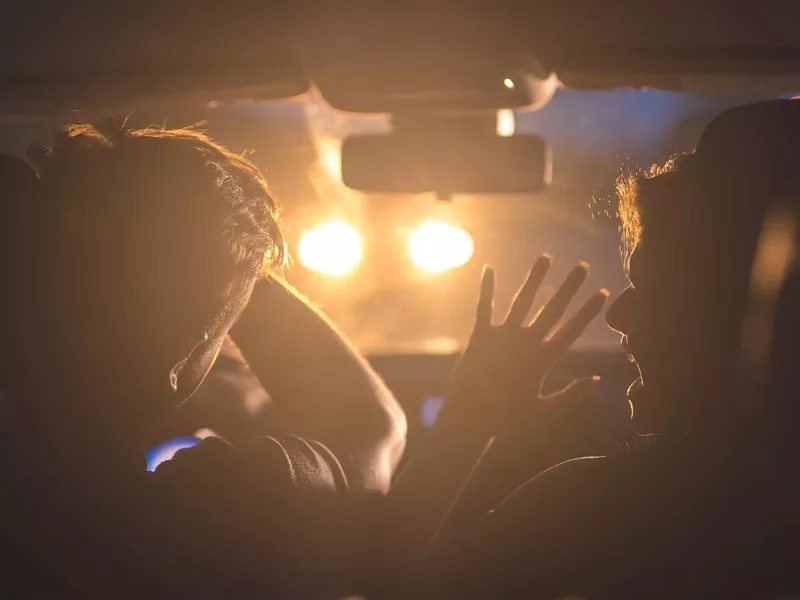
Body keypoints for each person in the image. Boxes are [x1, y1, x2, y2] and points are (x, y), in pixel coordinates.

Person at [0, 120, 607, 599]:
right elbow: (370, 443)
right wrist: (224, 252)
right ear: (176, 363)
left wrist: (190, 242)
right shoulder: (213, 506)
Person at [431, 99, 800, 599]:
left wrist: (466, 427)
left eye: (653, 283)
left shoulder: (595, 511)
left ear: (749, 310)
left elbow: (396, 582)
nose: (617, 315)